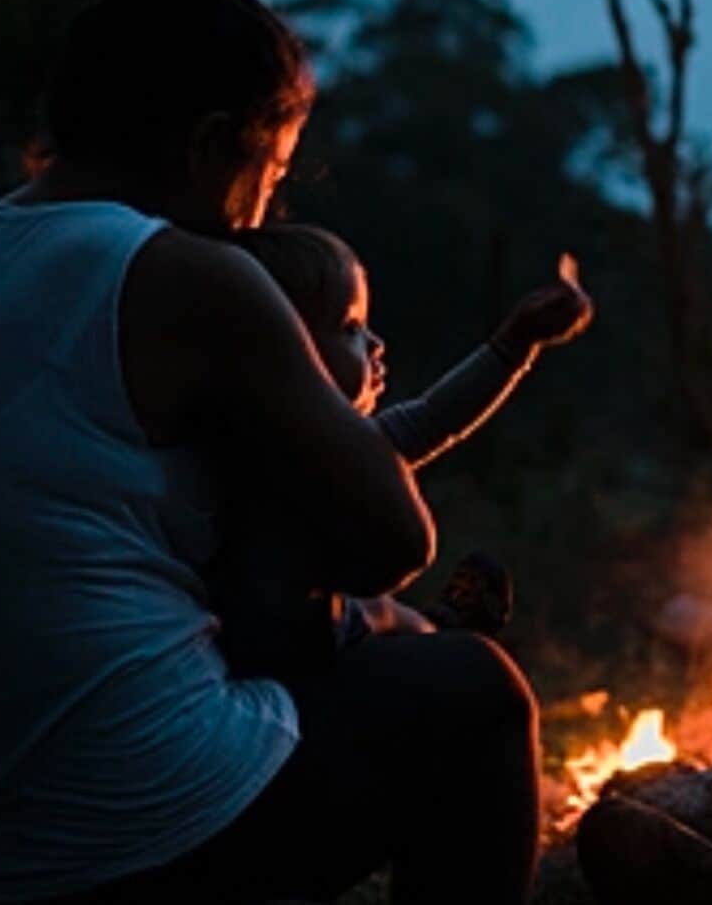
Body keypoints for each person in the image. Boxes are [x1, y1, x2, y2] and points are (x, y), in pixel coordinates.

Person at [0, 0, 544, 904]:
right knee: (475, 694)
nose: (262, 218)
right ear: (210, 146)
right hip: (132, 825)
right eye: (270, 176)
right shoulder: (183, 275)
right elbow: (391, 540)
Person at [211, 222, 592, 679]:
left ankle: (436, 625)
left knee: (375, 609)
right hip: (294, 660)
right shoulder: (279, 460)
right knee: (387, 620)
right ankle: (437, 632)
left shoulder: (332, 445)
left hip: (316, 630)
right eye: (350, 328)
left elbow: (433, 418)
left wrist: (516, 344)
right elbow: (430, 421)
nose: (375, 344)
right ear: (287, 347)